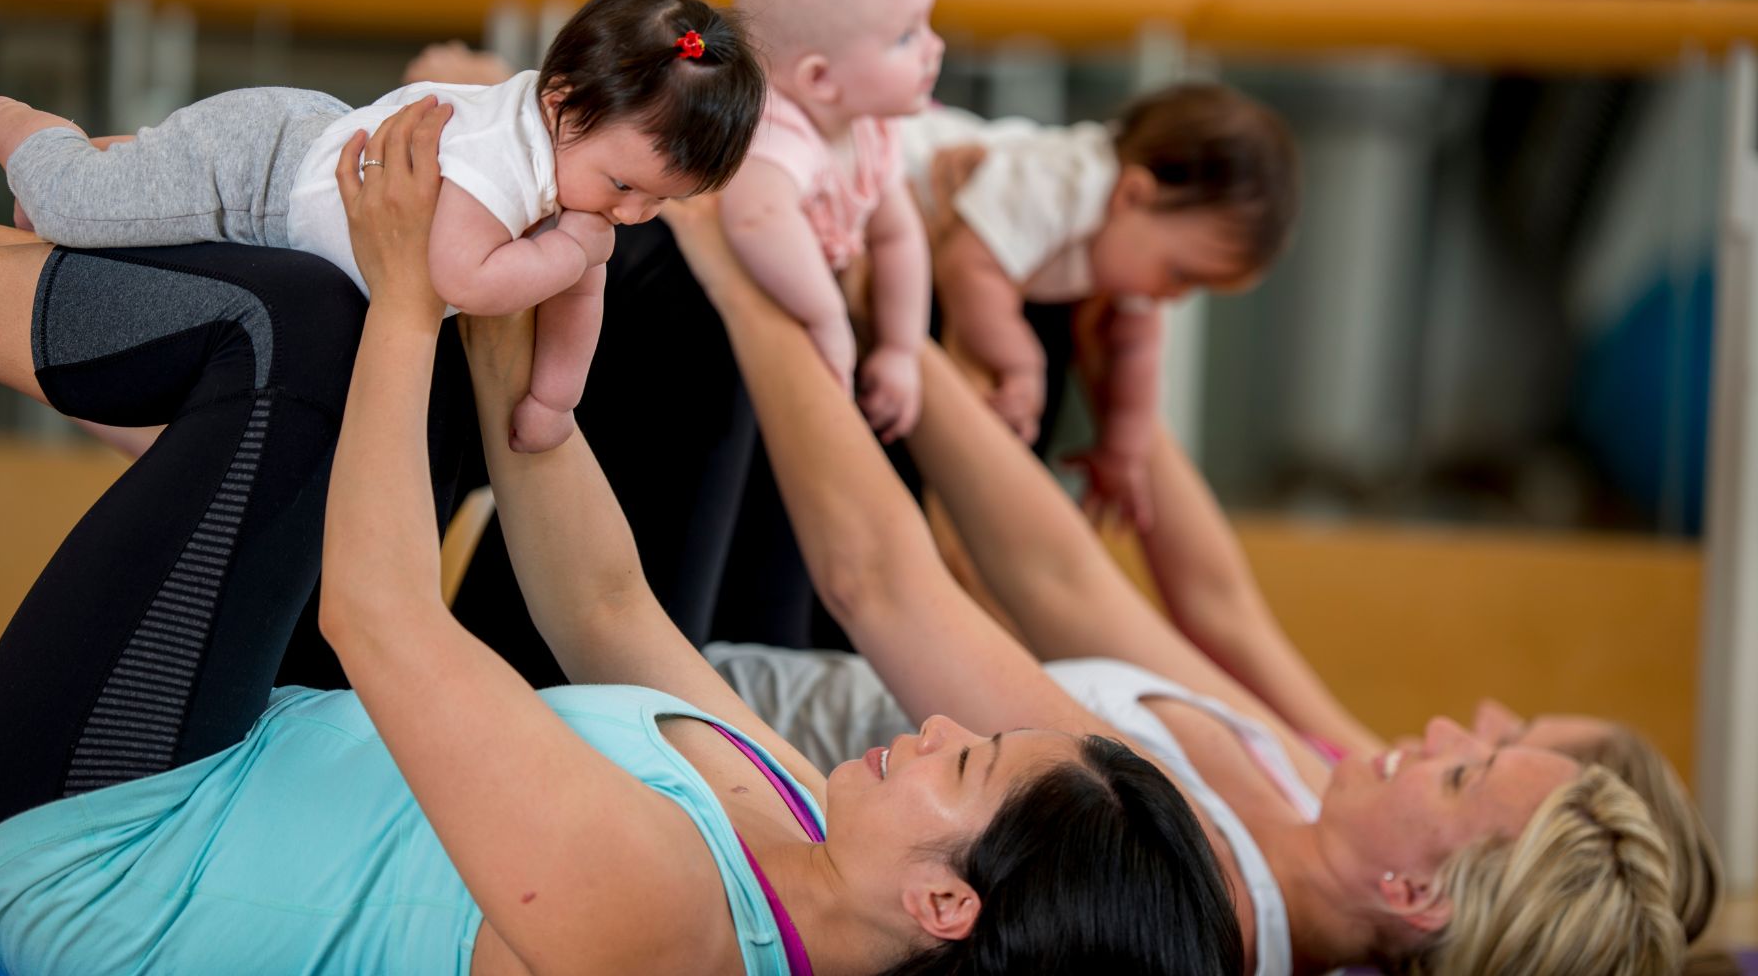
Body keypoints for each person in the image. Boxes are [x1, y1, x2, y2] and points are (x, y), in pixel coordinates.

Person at [0, 109, 1244, 974]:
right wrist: (506, 313)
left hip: (110, 840)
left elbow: (382, 620)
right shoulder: (804, 826)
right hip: (251, 748)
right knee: (390, 342)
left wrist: (411, 297)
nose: (934, 728)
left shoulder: (666, 926)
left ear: (944, 904)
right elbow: (606, 607)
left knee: (304, 339)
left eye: (969, 765)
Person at [660, 195, 1688, 976]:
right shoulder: (1305, 793)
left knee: (676, 268)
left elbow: (883, 585)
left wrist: (766, 280)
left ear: (1414, 893)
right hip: (751, 653)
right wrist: (895, 326)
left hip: (695, 712)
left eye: (1463, 777)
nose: (1451, 733)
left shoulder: (1180, 876)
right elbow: (1068, 583)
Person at [0, 0, 764, 453]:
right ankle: (17, 129)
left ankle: (102, 163)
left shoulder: (573, 168)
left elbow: (579, 297)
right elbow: (460, 276)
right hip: (258, 170)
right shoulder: (504, 165)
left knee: (129, 208)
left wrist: (553, 400)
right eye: (625, 186)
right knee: (79, 207)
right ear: (561, 102)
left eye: (662, 200)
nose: (635, 215)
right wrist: (575, 251)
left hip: (310, 157)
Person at [903, 83, 1298, 528]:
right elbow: (967, 267)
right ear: (1132, 194)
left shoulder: (1133, 237)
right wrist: (1019, 363)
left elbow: (1138, 350)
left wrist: (1123, 451)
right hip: (892, 167)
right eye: (1179, 274)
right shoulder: (1063, 185)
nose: (1175, 296)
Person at [720, 0, 942, 443]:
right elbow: (756, 219)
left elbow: (897, 236)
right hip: (711, 309)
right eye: (906, 37)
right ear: (819, 79)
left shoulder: (870, 127)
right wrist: (827, 316)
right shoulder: (777, 127)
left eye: (927, 25)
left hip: (785, 304)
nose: (934, 48)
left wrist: (901, 348)